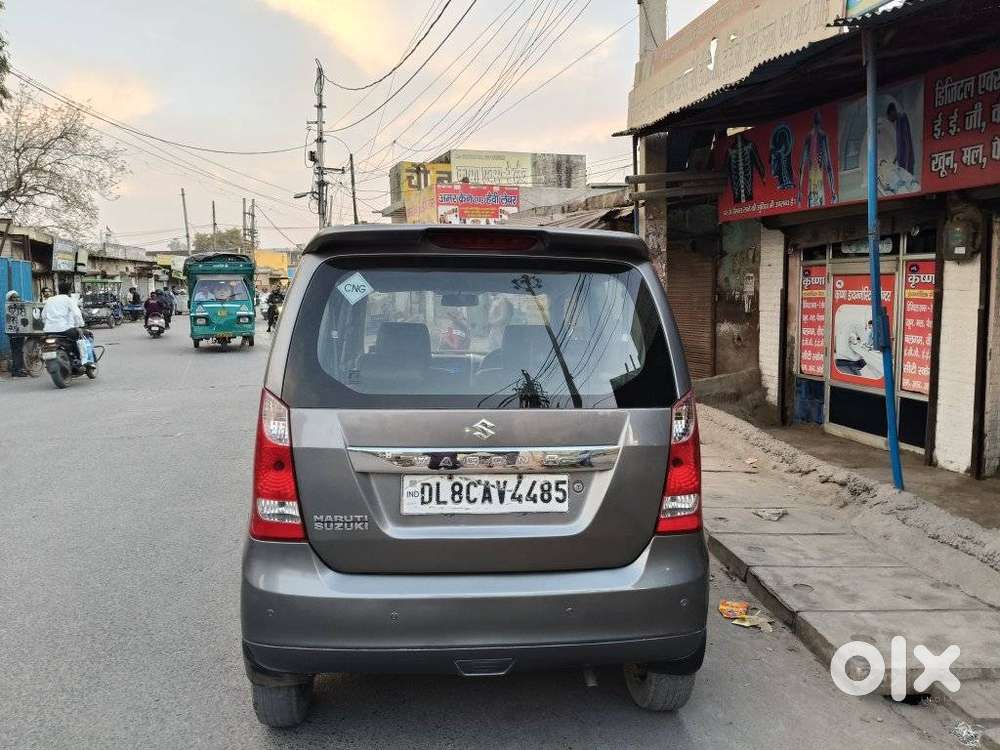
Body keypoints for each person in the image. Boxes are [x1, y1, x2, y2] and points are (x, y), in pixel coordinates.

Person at [5, 290, 29, 377]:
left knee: (18, 351)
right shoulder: (10, 306)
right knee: (17, 351)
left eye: (17, 297)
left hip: (18, 332)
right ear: (10, 298)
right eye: (14, 297)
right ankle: (17, 370)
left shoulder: (15, 305)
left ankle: (17, 369)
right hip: (15, 333)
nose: (16, 298)